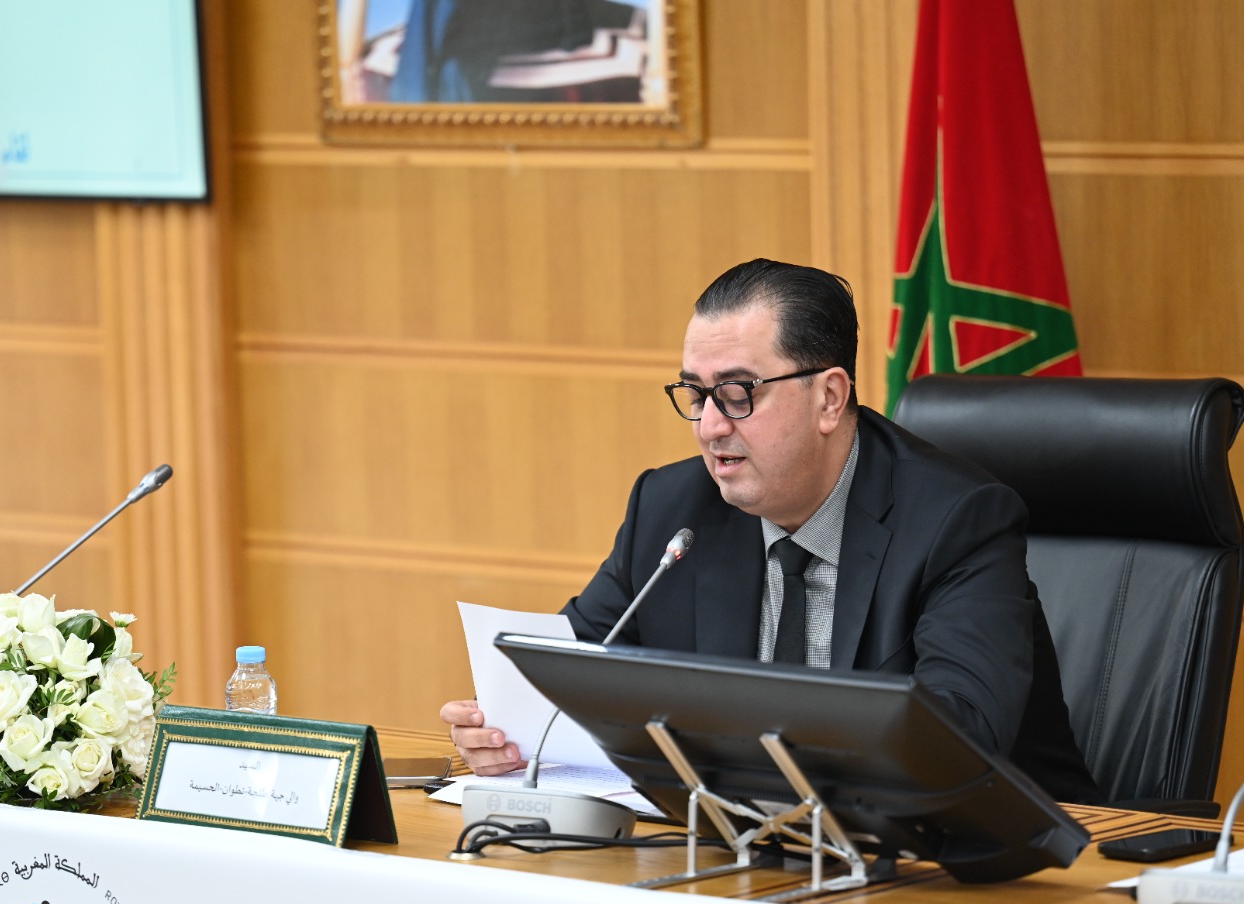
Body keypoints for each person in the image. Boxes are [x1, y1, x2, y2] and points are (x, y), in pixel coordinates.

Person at [441, 259, 1101, 803]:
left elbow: (961, 737)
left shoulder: (955, 520)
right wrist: (505, 732)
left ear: (829, 398)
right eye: (696, 395)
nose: (710, 427)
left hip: (992, 872)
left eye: (738, 394)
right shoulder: (673, 510)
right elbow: (577, 675)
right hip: (749, 860)